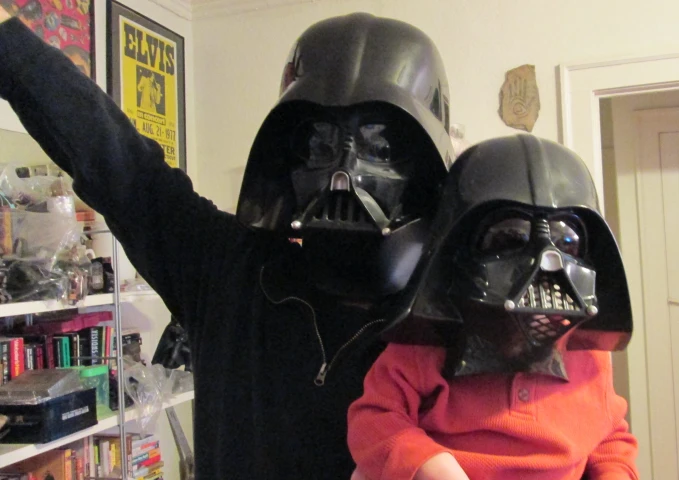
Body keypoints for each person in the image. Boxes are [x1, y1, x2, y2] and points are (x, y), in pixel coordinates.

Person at [0, 9, 453, 478]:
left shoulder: (453, 316)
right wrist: (9, 46)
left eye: (381, 146)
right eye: (319, 141)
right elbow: (117, 163)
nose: (343, 172)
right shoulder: (227, 272)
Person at [347, 134, 638, 480]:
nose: (547, 263)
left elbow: (609, 436)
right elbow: (374, 419)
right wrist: (426, 465)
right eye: (510, 238)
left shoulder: (588, 356)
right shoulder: (424, 348)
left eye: (567, 241)